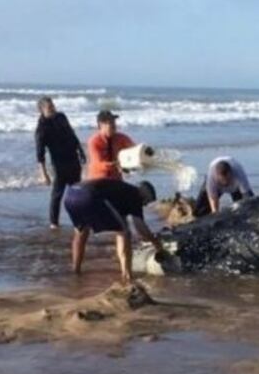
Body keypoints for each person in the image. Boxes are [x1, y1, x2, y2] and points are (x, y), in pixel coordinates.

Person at [64, 178, 165, 283]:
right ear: (144, 193)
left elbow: (120, 216)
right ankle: (127, 276)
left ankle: (76, 270)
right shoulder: (135, 194)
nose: (144, 205)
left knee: (81, 232)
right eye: (146, 201)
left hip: (71, 194)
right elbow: (140, 228)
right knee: (124, 233)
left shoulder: (121, 192)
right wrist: (158, 246)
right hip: (89, 196)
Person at [35, 97, 85, 229]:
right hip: (59, 164)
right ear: (41, 110)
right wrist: (44, 174)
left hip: (73, 159)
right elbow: (40, 153)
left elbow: (72, 134)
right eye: (49, 108)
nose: (53, 109)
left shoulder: (61, 117)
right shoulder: (41, 129)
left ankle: (79, 220)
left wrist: (81, 151)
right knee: (57, 194)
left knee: (77, 192)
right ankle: (54, 223)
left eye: (53, 106)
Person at [86, 110, 135, 180]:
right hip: (98, 179)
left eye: (114, 122)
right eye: (109, 123)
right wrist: (117, 165)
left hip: (116, 179)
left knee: (142, 186)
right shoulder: (94, 141)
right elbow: (98, 164)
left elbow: (134, 149)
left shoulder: (121, 138)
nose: (113, 125)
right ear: (101, 125)